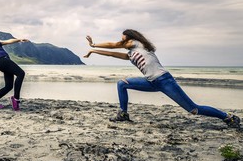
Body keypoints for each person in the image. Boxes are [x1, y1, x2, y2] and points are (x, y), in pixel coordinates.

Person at [84, 29, 241, 128]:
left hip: (165, 81)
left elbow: (114, 45)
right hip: (151, 82)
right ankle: (123, 114)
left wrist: (94, 44)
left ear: (130, 37)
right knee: (122, 84)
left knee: (194, 109)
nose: (122, 40)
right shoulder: (131, 54)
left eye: (123, 38)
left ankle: (228, 118)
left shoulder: (136, 44)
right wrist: (94, 51)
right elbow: (112, 53)